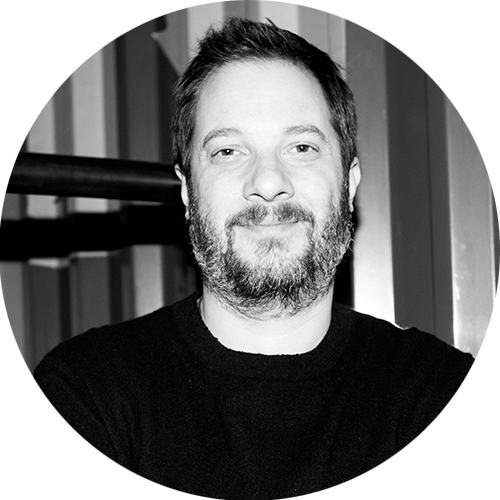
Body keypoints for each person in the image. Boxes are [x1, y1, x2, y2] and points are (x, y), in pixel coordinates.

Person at [10, 17, 500, 499]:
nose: (267, 182)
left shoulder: (449, 400)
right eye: (228, 152)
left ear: (349, 183)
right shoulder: (89, 390)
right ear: (188, 192)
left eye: (301, 147)